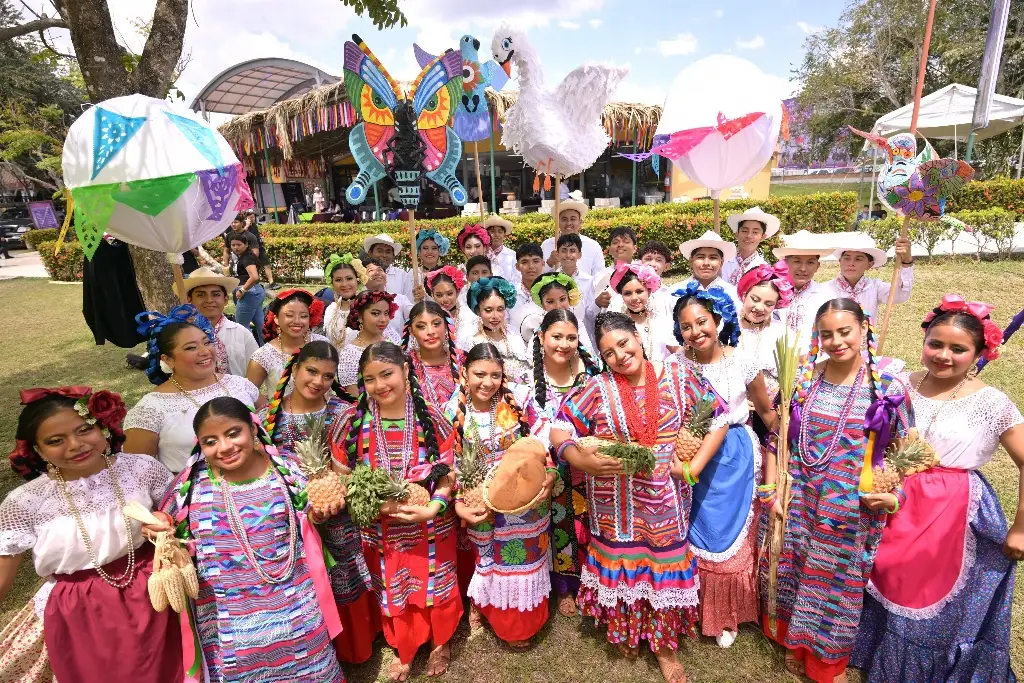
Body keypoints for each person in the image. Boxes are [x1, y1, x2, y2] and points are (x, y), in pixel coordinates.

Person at [851, 295, 1024, 682]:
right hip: (895, 496)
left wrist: (1021, 526)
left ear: (980, 352)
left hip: (952, 511)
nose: (944, 355)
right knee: (886, 574)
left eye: (958, 349)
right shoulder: (899, 384)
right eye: (936, 344)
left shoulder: (993, 403)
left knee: (927, 590)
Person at [550, 312, 728, 683]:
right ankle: (626, 631)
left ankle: (663, 647)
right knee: (621, 566)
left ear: (638, 335)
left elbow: (718, 416)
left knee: (663, 568)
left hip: (665, 504)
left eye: (624, 343)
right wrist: (578, 458)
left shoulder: (678, 376)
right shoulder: (597, 387)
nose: (619, 356)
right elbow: (560, 427)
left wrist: (693, 466)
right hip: (613, 507)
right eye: (608, 353)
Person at [760, 298, 913, 683]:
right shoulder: (803, 378)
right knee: (795, 568)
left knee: (836, 585)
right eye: (826, 334)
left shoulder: (887, 387)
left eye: (845, 332)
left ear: (864, 329)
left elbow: (906, 450)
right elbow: (777, 437)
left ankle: (826, 661)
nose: (836, 341)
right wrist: (772, 490)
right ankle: (794, 642)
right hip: (799, 496)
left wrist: (893, 494)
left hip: (849, 507)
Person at [148, 397, 344, 682]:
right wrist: (159, 528)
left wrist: (321, 513)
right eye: (210, 441)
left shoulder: (286, 470)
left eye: (233, 433)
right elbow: (171, 528)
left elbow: (310, 516)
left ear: (253, 430)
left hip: (293, 607)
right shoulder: (190, 487)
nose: (224, 447)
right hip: (227, 619)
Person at [0, 386, 182, 683]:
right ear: (38, 450)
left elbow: (181, 517)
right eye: (55, 441)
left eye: (84, 430)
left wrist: (165, 522)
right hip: (81, 610)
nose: (75, 445)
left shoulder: (141, 469)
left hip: (156, 592)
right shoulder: (26, 502)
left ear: (103, 427)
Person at [332, 342, 460, 682]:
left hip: (432, 526)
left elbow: (449, 474)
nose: (379, 385)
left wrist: (433, 507)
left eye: (386, 374)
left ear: (405, 370)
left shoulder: (431, 417)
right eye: (370, 379)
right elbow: (341, 481)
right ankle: (404, 645)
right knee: (392, 586)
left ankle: (440, 641)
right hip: (380, 531)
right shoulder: (350, 422)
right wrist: (383, 505)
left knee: (437, 582)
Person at [671, 282, 777, 649]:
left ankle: (727, 612)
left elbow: (766, 413)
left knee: (725, 534)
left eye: (702, 321)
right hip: (689, 452)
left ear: (718, 320)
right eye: (686, 326)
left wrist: (789, 436)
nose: (695, 331)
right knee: (692, 530)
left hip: (733, 458)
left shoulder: (743, 362)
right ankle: (691, 606)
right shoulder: (675, 365)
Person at [261, 342, 379, 665]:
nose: (318, 381)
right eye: (311, 371)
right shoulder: (268, 417)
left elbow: (361, 459)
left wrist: (335, 489)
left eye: (328, 376)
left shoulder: (343, 412)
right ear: (294, 369)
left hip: (339, 510)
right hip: (292, 517)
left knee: (344, 569)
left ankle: (355, 645)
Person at [447, 343, 556, 647]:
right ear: (465, 373)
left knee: (523, 560)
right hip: (478, 499)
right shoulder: (452, 409)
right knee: (487, 558)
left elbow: (542, 437)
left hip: (524, 500)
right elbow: (447, 463)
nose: (488, 382)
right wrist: (459, 502)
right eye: (479, 374)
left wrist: (549, 472)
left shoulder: (518, 399)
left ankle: (520, 625)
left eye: (495, 375)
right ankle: (483, 604)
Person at [123, 306, 259, 473]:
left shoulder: (239, 384)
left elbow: (268, 423)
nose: (204, 351)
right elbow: (137, 473)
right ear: (168, 360)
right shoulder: (150, 409)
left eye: (207, 342)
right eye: (190, 348)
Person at [528, 309, 601, 617]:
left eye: (571, 338)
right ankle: (563, 586)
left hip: (587, 462)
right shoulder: (528, 378)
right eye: (556, 337)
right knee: (558, 524)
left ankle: (591, 580)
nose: (564, 344)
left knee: (588, 523)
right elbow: (529, 423)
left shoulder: (590, 373)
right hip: (549, 465)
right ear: (541, 337)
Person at [173, 266, 258, 376]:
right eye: (200, 295)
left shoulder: (242, 334)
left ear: (225, 300)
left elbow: (255, 372)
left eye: (216, 294)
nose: (209, 300)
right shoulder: (180, 335)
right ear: (190, 300)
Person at [246, 289, 328, 400]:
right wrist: (271, 408)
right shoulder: (263, 356)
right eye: (289, 315)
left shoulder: (322, 344)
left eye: (303, 316)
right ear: (276, 318)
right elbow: (249, 392)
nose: (297, 321)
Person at [736, 261, 795, 403]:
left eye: (769, 304)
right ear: (744, 296)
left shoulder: (782, 333)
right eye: (755, 299)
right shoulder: (725, 328)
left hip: (771, 409)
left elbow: (793, 376)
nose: (759, 308)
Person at [824, 232, 914, 323]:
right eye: (847, 258)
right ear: (840, 261)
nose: (851, 263)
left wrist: (907, 261)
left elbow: (900, 295)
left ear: (869, 265)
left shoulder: (875, 287)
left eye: (858, 259)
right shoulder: (825, 289)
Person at [457, 277, 532, 384]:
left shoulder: (513, 333)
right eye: (488, 310)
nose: (495, 316)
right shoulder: (471, 341)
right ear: (478, 311)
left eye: (500, 309)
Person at [771, 230, 836, 347]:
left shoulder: (826, 296)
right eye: (797, 261)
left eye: (810, 263)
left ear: (817, 266)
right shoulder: (771, 291)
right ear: (785, 263)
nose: (803, 269)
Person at [336, 290, 401, 394]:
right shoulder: (350, 355)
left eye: (386, 313)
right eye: (375, 313)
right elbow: (355, 397)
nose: (383, 319)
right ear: (360, 317)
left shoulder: (392, 336)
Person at [609, 261, 674, 362]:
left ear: (649, 291)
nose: (634, 298)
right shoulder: (617, 326)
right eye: (627, 293)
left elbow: (676, 350)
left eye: (639, 292)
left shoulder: (661, 320)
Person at [516, 272, 595, 354]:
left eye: (562, 299)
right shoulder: (538, 330)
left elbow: (590, 355)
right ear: (542, 305)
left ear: (569, 298)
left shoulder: (579, 325)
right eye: (550, 302)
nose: (558, 306)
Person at [403, 300, 463, 407]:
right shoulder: (405, 365)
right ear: (411, 331)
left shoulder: (463, 359)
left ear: (446, 326)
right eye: (421, 326)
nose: (430, 331)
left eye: (436, 324)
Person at [541, 194, 605, 276]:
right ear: (558, 222)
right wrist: (549, 263)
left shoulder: (593, 246)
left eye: (573, 219)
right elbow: (537, 276)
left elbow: (599, 276)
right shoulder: (546, 245)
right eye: (564, 219)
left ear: (580, 222)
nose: (569, 223)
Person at [678, 230, 742, 310]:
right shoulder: (676, 292)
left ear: (721, 262)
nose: (706, 263)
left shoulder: (732, 294)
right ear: (691, 260)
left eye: (713, 258)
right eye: (700, 257)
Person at [722, 207, 779, 286]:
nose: (749, 236)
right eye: (744, 231)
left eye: (755, 232)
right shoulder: (723, 260)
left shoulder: (763, 269)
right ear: (737, 234)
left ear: (763, 237)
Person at [227, 231, 266, 345]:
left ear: (246, 245)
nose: (236, 247)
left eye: (239, 245)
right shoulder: (243, 256)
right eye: (233, 245)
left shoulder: (247, 257)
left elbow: (254, 277)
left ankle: (249, 351)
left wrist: (242, 290)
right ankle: (267, 349)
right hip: (256, 291)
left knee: (242, 327)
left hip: (249, 293)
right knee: (261, 324)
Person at [323, 253, 368, 350]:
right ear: (332, 283)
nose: (344, 284)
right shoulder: (331, 310)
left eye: (349, 278)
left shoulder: (367, 307)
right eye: (338, 280)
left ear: (358, 280)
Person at [364, 256, 414, 339]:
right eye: (371, 270)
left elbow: (414, 314)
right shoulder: (360, 302)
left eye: (380, 270)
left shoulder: (400, 299)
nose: (377, 273)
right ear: (363, 278)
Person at [594, 226, 640, 311]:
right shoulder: (599, 277)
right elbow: (587, 313)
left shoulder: (644, 273)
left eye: (626, 241)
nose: (620, 245)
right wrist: (597, 304)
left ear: (634, 249)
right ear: (609, 250)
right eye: (615, 242)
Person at [363, 233, 412, 299]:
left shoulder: (403, 276)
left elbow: (409, 301)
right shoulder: (361, 275)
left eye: (388, 252)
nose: (384, 255)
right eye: (379, 251)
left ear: (393, 255)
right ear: (370, 253)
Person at [422, 266, 466, 334]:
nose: (445, 299)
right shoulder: (426, 318)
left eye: (450, 294)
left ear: (457, 292)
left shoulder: (468, 316)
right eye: (439, 295)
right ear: (432, 295)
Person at [411, 229, 451, 302]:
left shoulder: (447, 274)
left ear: (439, 251)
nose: (429, 252)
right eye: (425, 248)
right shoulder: (412, 274)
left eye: (434, 248)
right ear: (419, 252)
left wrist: (426, 296)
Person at [511, 243, 547, 321]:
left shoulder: (551, 290)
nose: (531, 266)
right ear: (517, 266)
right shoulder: (509, 292)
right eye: (524, 262)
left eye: (535, 261)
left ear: (543, 264)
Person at [245, 212, 279, 289]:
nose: (252, 219)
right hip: (251, 250)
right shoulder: (244, 226)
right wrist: (246, 226)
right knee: (253, 267)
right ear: (246, 218)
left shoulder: (254, 225)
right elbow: (240, 235)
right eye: (250, 217)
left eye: (253, 217)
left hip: (260, 247)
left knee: (266, 264)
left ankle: (271, 283)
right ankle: (253, 284)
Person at [483, 215, 518, 282]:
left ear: (504, 236)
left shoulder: (512, 255)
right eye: (492, 231)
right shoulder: (482, 254)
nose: (496, 234)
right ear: (486, 234)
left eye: (500, 232)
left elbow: (517, 278)